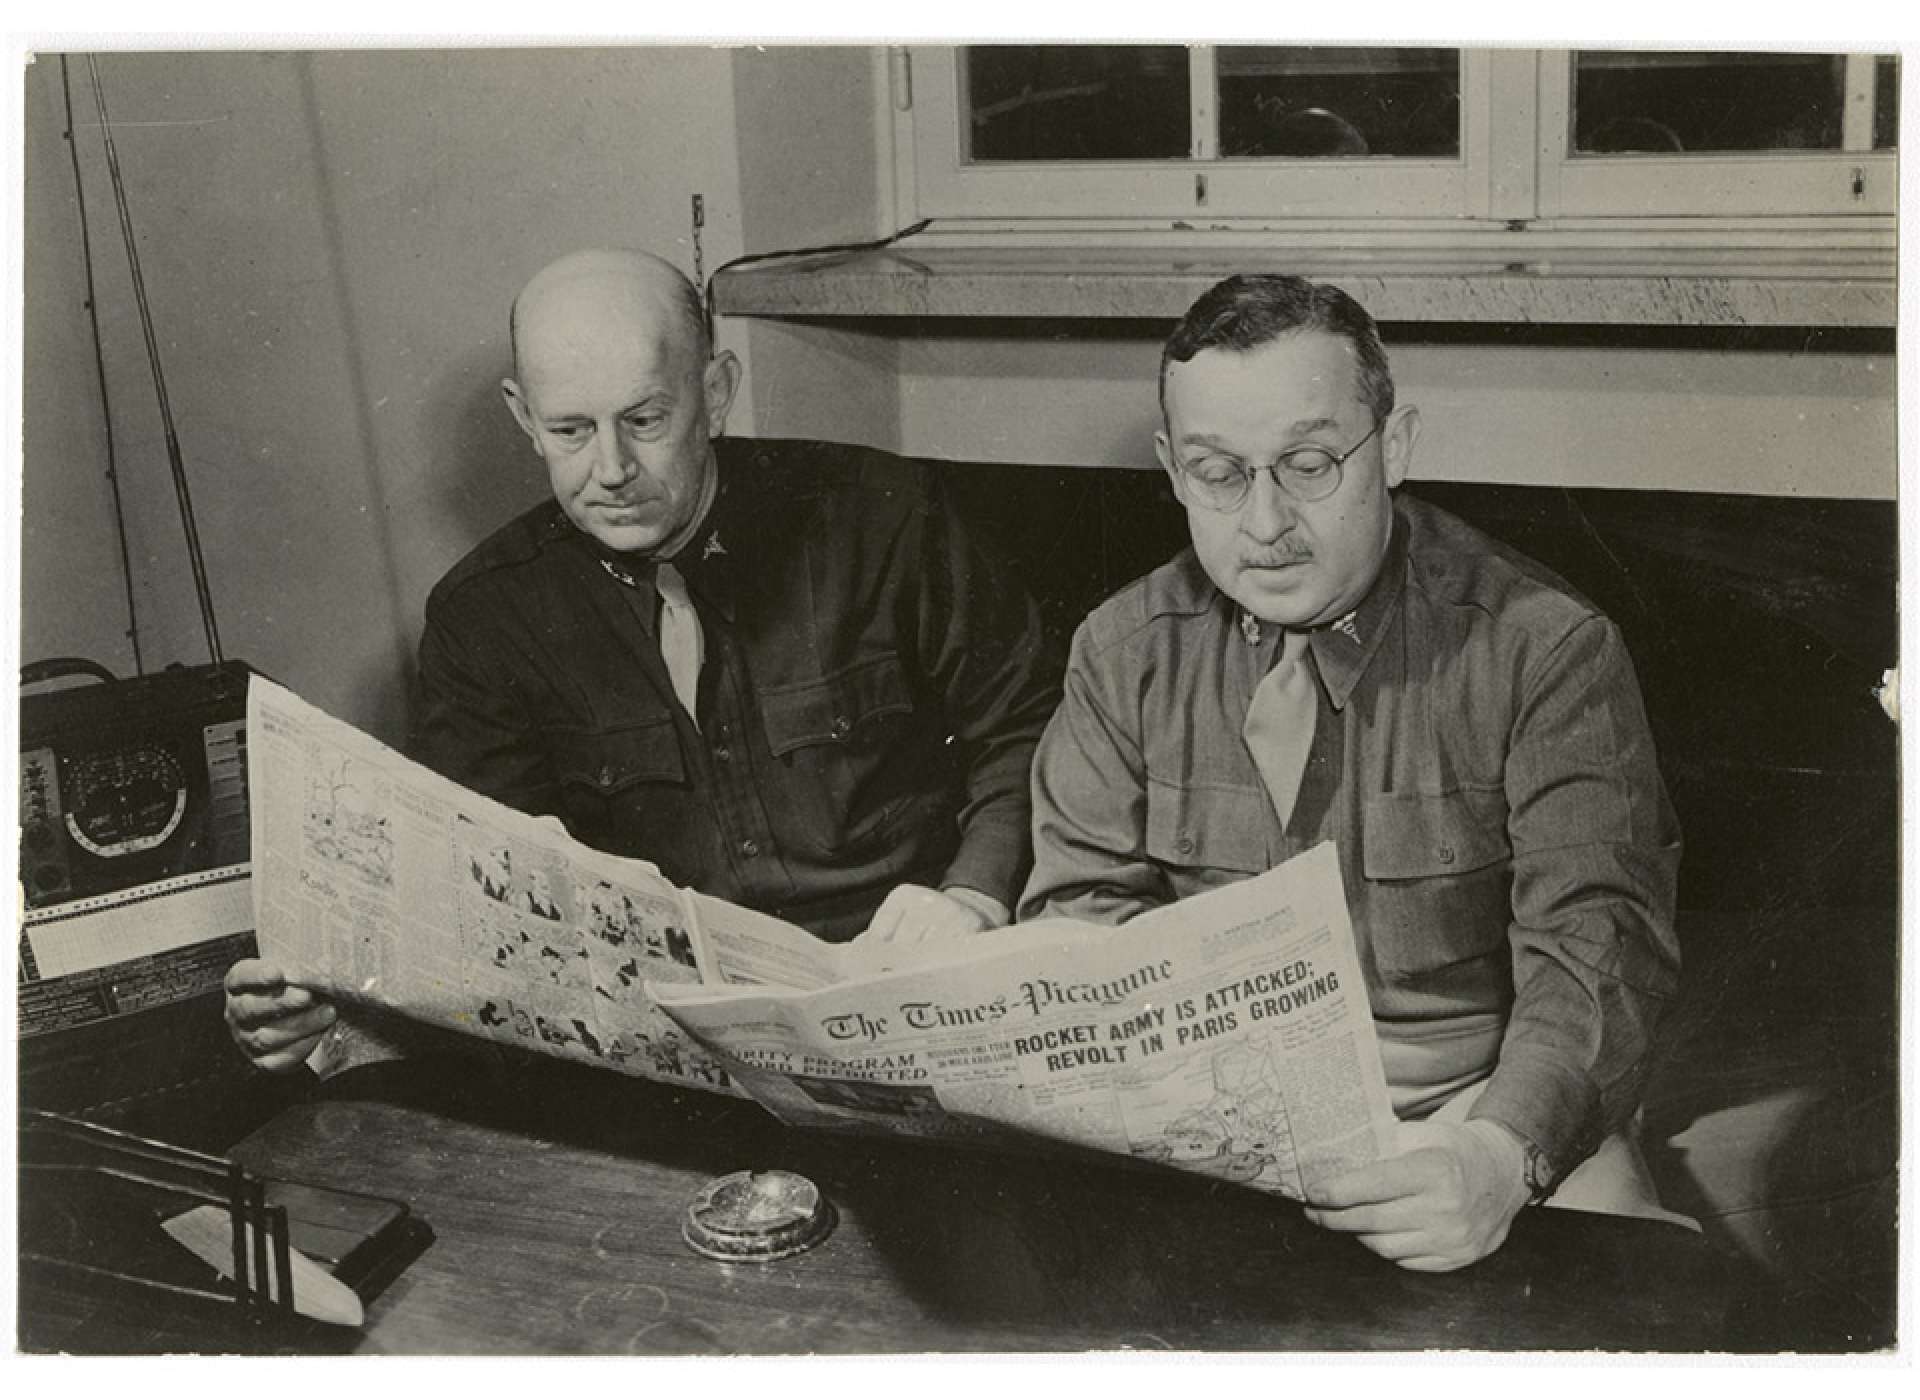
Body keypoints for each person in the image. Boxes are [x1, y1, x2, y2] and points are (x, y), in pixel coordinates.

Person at [228, 248, 1061, 1074]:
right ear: (523, 417)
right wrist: (338, 1008)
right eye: (570, 432)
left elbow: (1027, 727)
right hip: (666, 1049)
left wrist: (973, 896)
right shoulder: (485, 617)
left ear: (718, 392)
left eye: (646, 420)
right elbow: (471, 885)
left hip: (904, 990)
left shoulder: (887, 522)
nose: (613, 471)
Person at [1019, 273, 1682, 1271]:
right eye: (1218, 471)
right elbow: (1078, 926)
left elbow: (1598, 953)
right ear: (1169, 467)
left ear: (1396, 446)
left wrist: (1499, 1155)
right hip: (1212, 1126)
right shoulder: (1121, 652)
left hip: (1470, 1113)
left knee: (1640, 1304)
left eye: (1311, 462)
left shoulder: (1546, 652)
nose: (1265, 522)